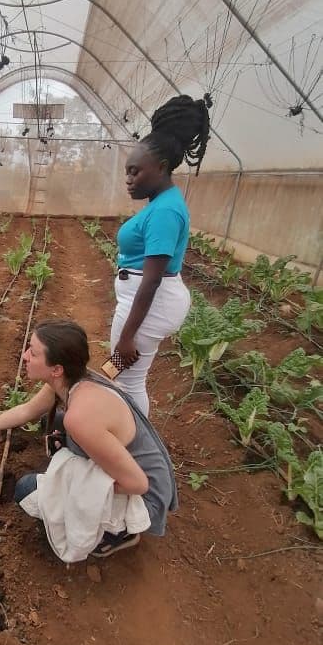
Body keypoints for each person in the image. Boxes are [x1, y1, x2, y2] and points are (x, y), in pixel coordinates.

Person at [0, 320, 177, 559]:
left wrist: (79, 488)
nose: (24, 356)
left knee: (26, 489)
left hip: (145, 497)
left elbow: (138, 484)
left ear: (56, 369)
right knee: (52, 422)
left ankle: (118, 534)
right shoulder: (74, 379)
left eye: (33, 352)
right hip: (138, 470)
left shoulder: (81, 417)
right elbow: (27, 410)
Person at [111, 94, 211, 416]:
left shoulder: (165, 211)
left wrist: (127, 336)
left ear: (162, 167)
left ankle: (134, 441)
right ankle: (124, 431)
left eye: (135, 172)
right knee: (121, 375)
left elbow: (152, 281)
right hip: (144, 304)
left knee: (127, 379)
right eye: (127, 172)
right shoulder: (160, 204)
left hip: (147, 306)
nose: (128, 179)